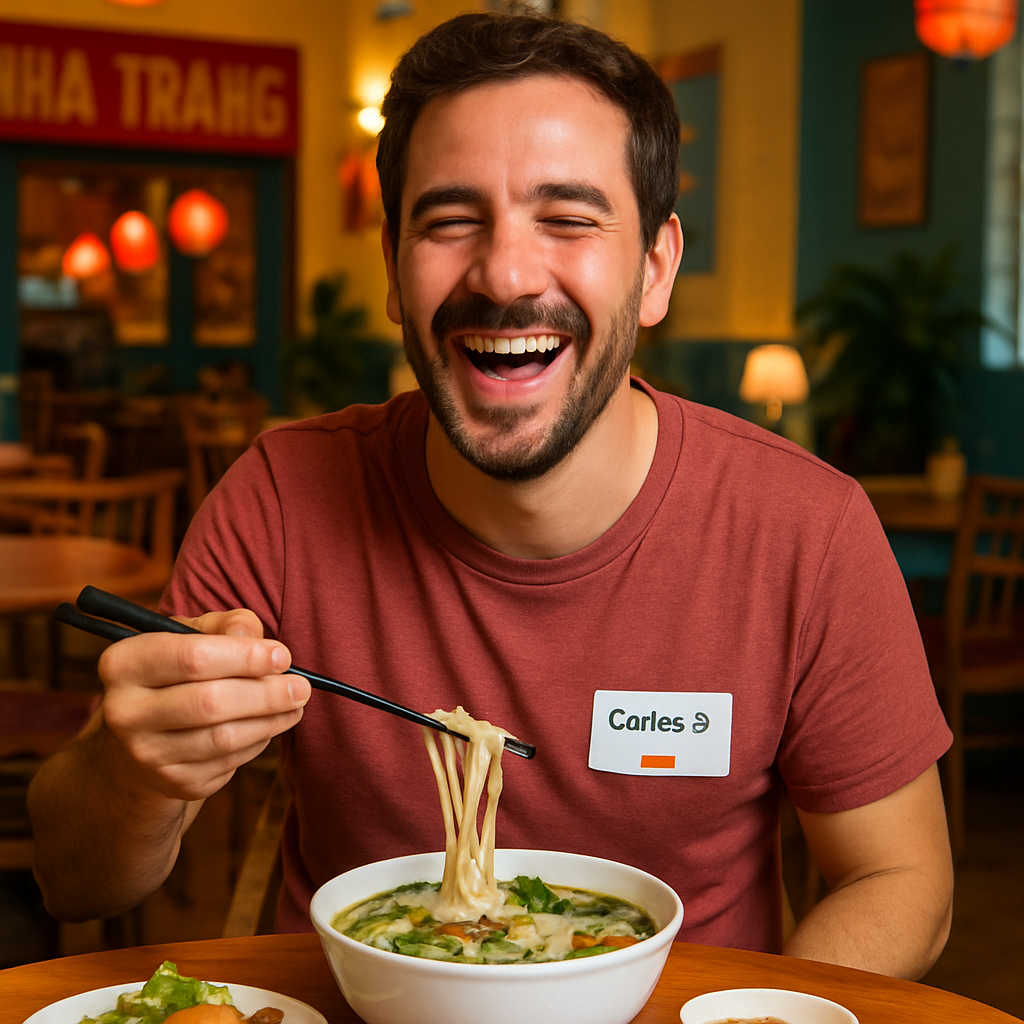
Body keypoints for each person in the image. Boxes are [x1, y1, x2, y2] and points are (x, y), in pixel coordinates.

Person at [28, 9, 953, 980]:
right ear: (392, 267)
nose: (506, 273)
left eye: (567, 217)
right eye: (450, 219)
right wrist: (134, 772)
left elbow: (899, 877)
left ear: (654, 267)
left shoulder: (803, 527)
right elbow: (78, 880)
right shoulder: (281, 496)